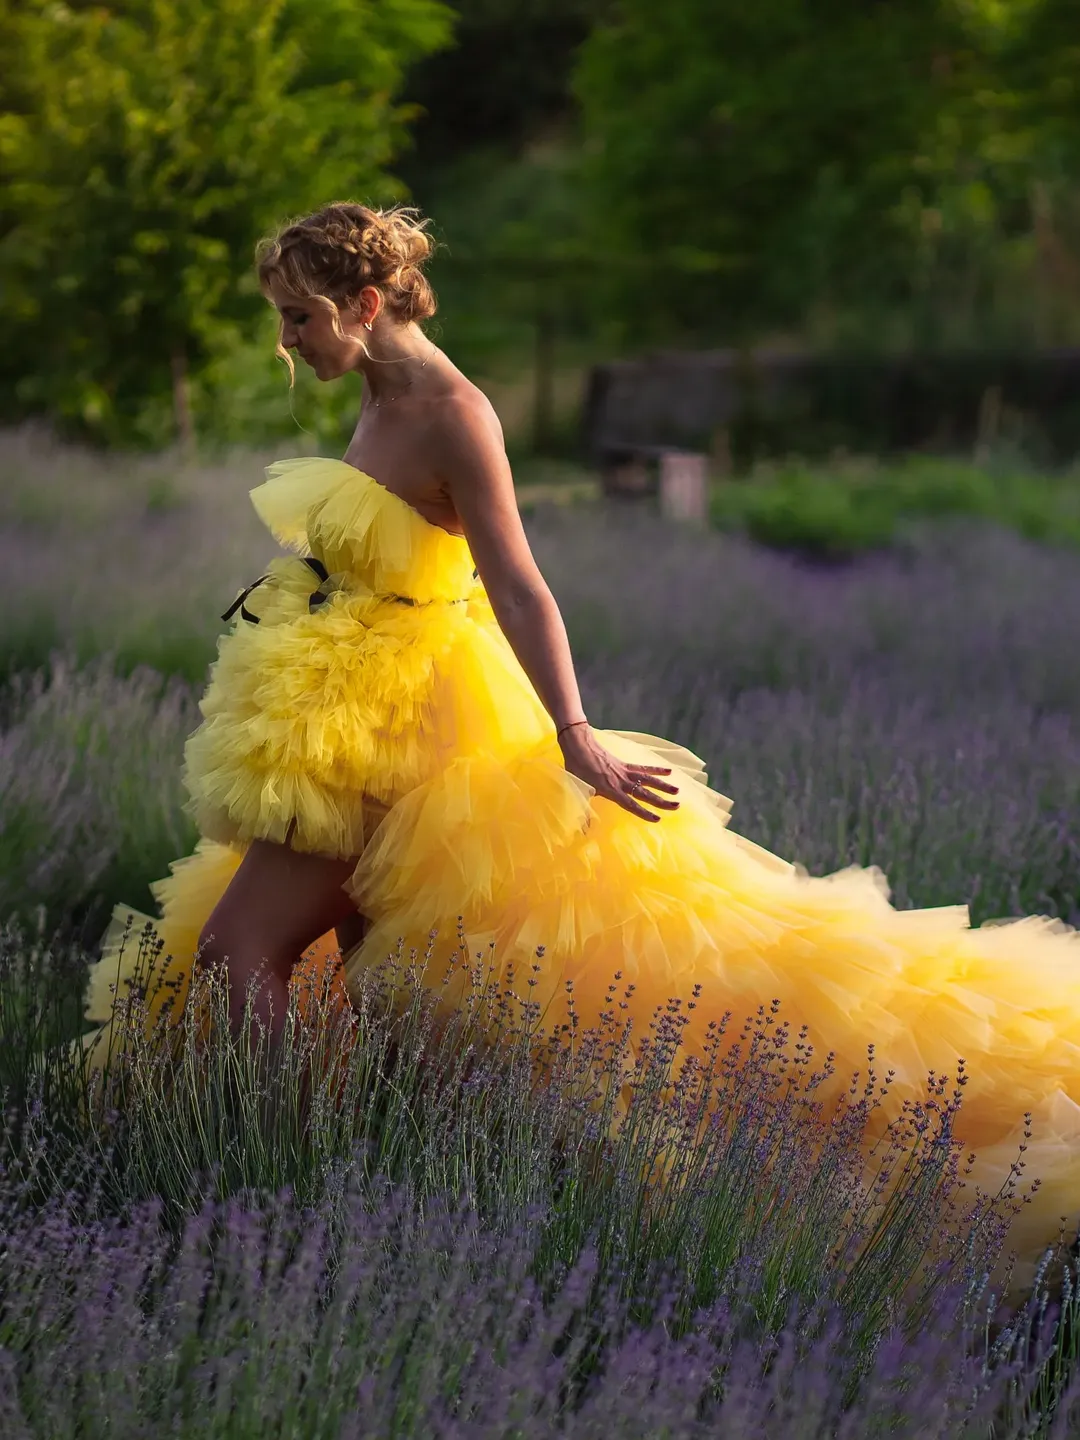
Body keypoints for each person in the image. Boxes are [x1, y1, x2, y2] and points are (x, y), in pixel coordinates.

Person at [76, 201, 1080, 1291]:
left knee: (242, 952)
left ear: (367, 305)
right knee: (364, 970)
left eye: (303, 318)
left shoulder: (457, 412)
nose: (290, 341)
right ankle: (339, 1179)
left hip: (397, 720)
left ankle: (275, 1173)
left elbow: (519, 583)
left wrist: (576, 735)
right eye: (283, 319)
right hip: (343, 703)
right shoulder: (374, 387)